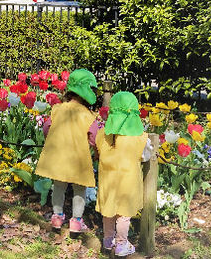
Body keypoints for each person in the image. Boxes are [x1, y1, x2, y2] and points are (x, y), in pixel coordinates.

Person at [35, 69, 100, 235]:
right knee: (80, 190)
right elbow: (94, 137)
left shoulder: (58, 109)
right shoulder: (88, 115)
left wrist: (52, 139)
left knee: (58, 186)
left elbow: (46, 128)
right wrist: (96, 151)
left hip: (59, 157)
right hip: (79, 159)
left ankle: (57, 217)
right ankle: (76, 222)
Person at [95, 91, 152, 257]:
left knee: (108, 212)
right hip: (128, 183)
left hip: (107, 182)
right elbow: (145, 156)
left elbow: (98, 149)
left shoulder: (102, 135)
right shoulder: (140, 138)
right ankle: (121, 245)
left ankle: (107, 241)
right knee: (123, 216)